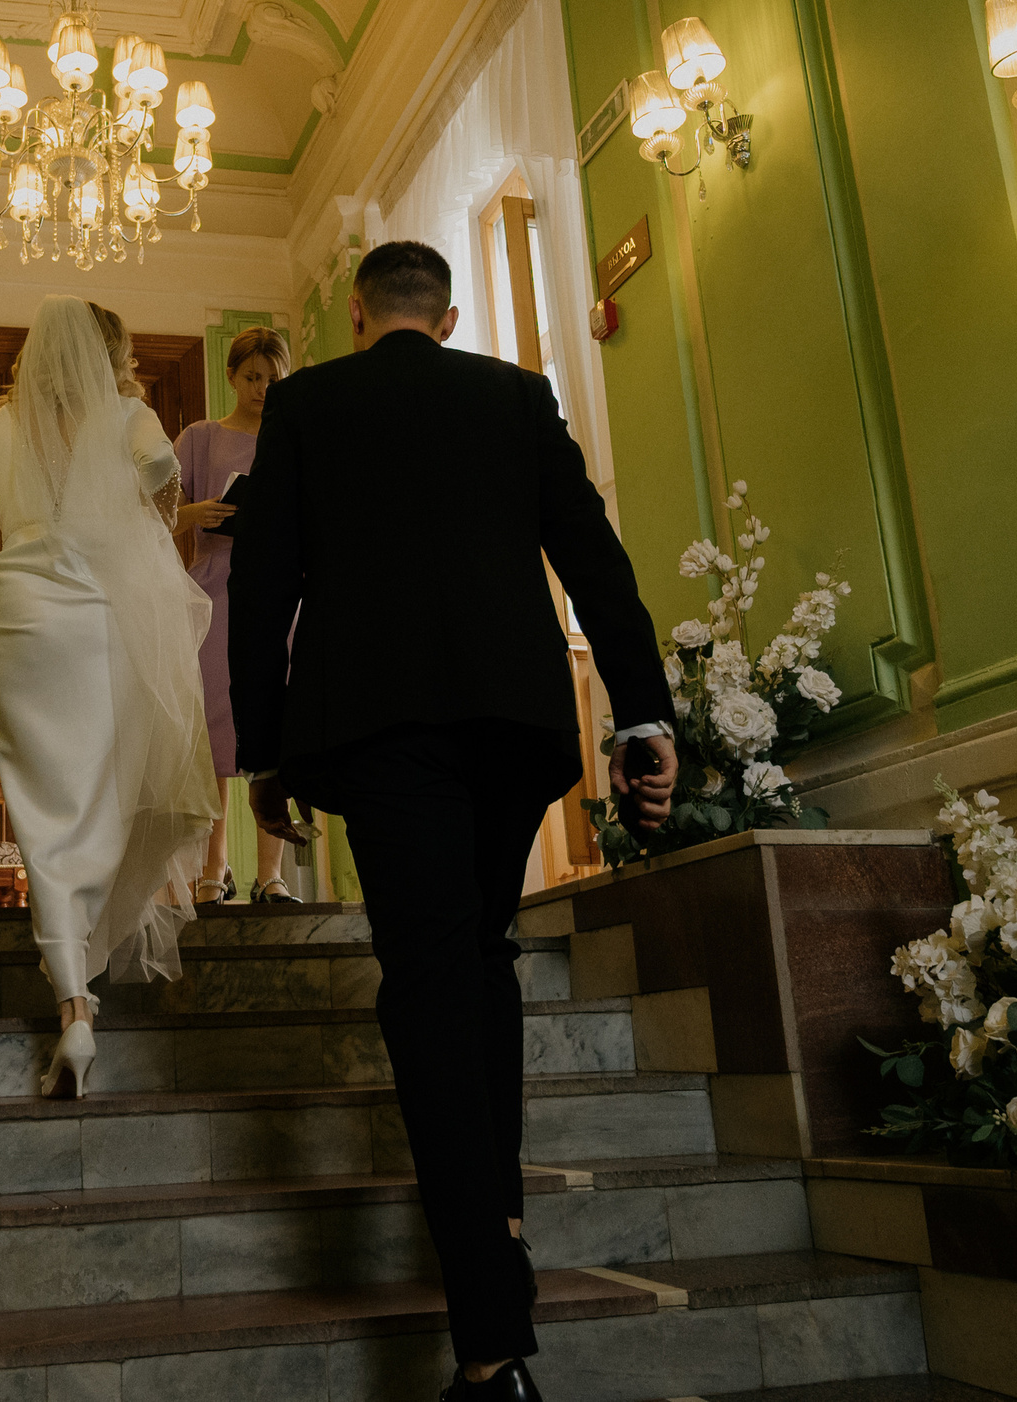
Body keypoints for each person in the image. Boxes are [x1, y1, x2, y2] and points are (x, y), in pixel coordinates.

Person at [228, 240, 676, 1402]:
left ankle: (489, 1342)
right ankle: (504, 1220)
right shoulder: (514, 394)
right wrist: (643, 714)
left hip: (374, 727)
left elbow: (263, 581)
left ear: (361, 312)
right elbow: (594, 556)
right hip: (510, 718)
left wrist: (264, 749)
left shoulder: (309, 402)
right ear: (448, 311)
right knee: (479, 955)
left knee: (428, 974)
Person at [0, 296, 220, 1099]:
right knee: (104, 789)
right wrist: (145, 537)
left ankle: (73, 1006)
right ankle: (83, 984)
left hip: (24, 624)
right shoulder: (130, 415)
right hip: (101, 618)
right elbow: (167, 492)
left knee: (42, 809)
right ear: (106, 356)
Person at [172, 325, 306, 906]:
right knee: (216, 734)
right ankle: (212, 868)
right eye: (253, 377)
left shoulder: (295, 437)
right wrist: (193, 512)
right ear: (231, 375)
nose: (262, 389)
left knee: (273, 727)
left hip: (282, 596)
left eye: (274, 379)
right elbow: (148, 516)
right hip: (213, 593)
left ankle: (272, 876)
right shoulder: (199, 438)